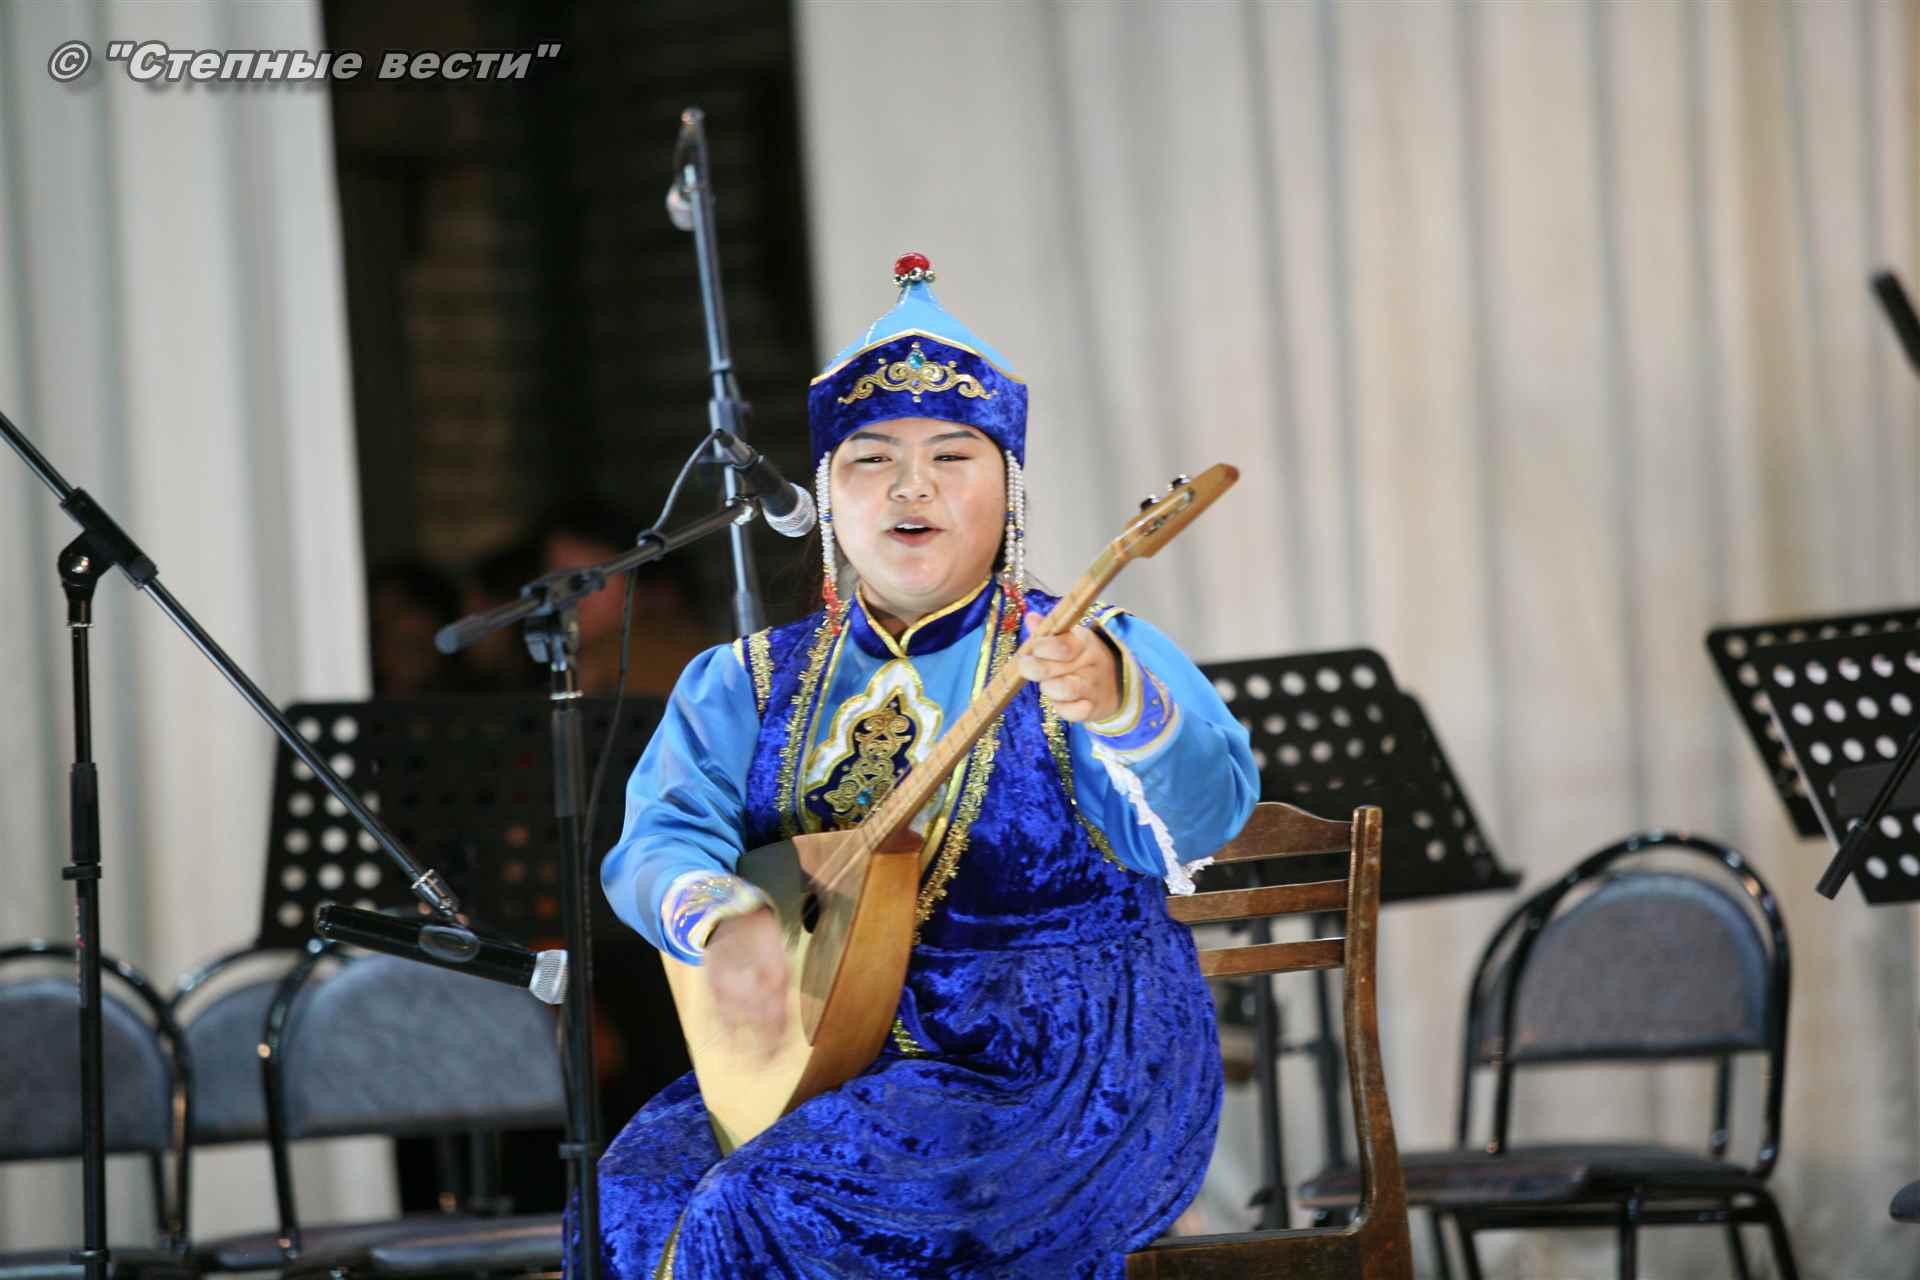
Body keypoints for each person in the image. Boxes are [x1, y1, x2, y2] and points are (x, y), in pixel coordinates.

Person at [593, 253, 1258, 1278]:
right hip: (824, 1058)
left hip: (1059, 1072)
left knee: (766, 1202)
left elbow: (1208, 816)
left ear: (1009, 491)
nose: (912, 485)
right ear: (827, 495)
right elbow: (659, 837)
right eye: (871, 458)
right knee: (632, 1191)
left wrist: (1118, 704)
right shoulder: (745, 682)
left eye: (953, 454)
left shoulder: (1087, 648)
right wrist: (717, 915)